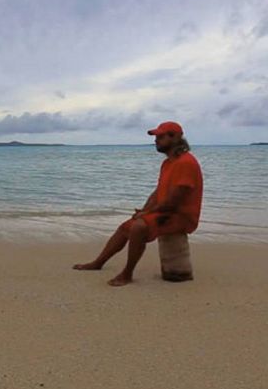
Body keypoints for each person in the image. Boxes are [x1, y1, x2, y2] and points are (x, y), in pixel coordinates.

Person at [73, 121, 203, 286]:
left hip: (181, 216)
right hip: (167, 213)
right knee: (126, 226)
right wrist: (145, 209)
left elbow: (173, 202)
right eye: (156, 136)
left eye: (160, 136)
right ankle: (98, 263)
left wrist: (147, 214)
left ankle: (127, 274)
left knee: (138, 227)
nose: (156, 140)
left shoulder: (185, 163)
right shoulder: (168, 162)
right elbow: (158, 193)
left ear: (176, 137)